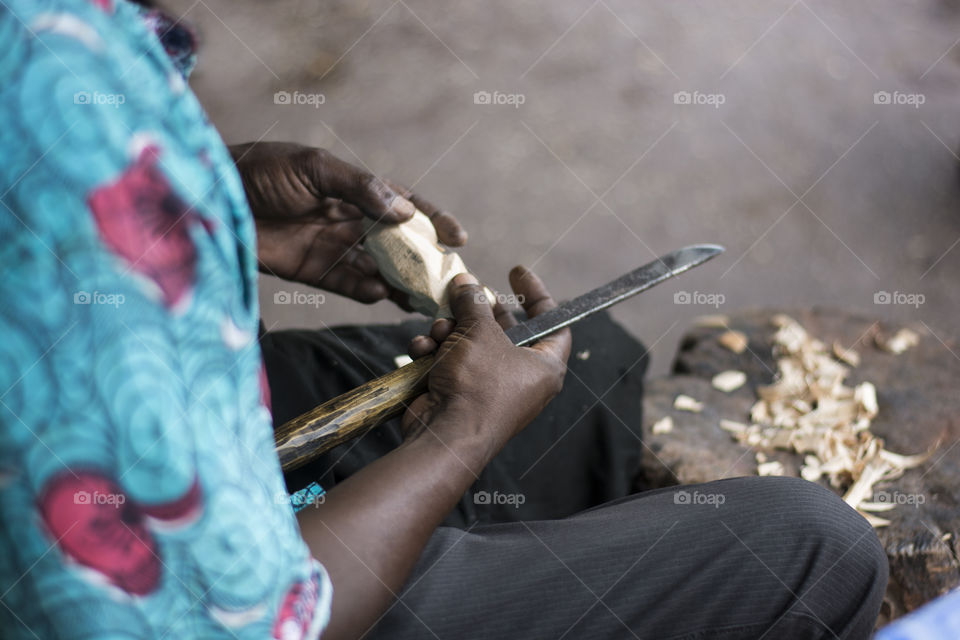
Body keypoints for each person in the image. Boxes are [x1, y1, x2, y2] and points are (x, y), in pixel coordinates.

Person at [0, 1, 888, 638]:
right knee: (813, 549)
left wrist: (189, 203)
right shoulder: (51, 84)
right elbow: (251, 620)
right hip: (215, 598)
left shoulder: (52, 55)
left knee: (593, 360)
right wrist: (458, 437)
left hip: (174, 436)